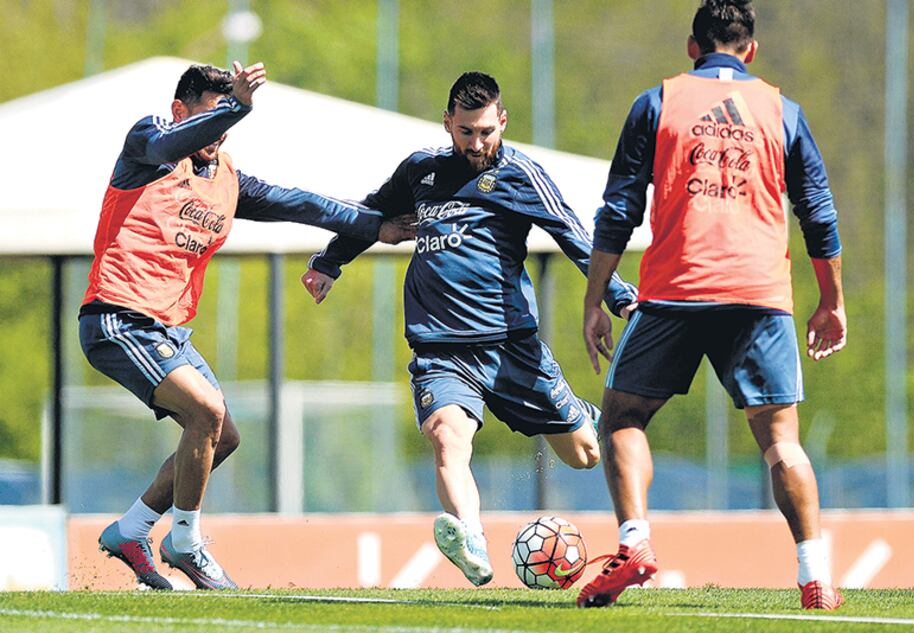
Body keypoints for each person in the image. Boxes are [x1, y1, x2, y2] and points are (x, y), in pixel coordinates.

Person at [79, 61, 413, 591]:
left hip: (167, 332)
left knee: (223, 435)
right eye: (212, 118)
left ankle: (132, 529)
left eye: (226, 123)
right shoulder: (147, 144)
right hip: (117, 318)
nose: (220, 133)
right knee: (207, 411)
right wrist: (236, 104)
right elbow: (171, 146)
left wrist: (378, 227)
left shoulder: (228, 180)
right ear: (179, 112)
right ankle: (184, 542)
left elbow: (305, 204)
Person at [302, 72, 638, 586]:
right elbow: (372, 212)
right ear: (447, 124)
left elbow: (573, 233)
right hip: (440, 350)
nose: (476, 144)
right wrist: (330, 262)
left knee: (585, 455)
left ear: (502, 120)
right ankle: (472, 539)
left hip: (510, 349)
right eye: (465, 132)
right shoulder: (421, 172)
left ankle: (587, 414)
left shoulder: (521, 174)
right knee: (447, 438)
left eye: (485, 131)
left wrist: (617, 295)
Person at [578, 0, 846, 610]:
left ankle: (635, 543)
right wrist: (831, 301)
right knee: (781, 441)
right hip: (760, 294)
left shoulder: (658, 102)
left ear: (691, 47)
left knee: (622, 417)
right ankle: (816, 575)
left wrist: (595, 299)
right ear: (749, 51)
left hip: (676, 290)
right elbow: (820, 216)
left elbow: (617, 212)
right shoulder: (783, 110)